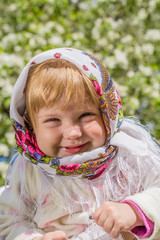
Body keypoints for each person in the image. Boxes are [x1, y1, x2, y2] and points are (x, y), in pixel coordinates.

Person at [0, 48, 160, 240]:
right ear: (31, 128)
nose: (73, 133)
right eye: (53, 120)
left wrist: (135, 211)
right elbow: (7, 221)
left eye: (86, 115)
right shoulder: (29, 171)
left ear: (107, 112)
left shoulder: (132, 155)